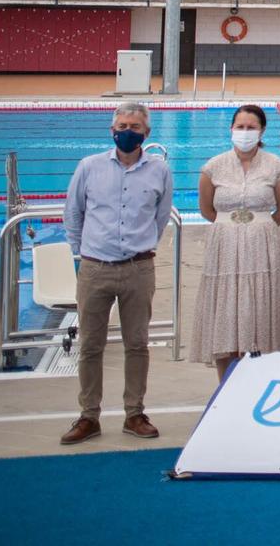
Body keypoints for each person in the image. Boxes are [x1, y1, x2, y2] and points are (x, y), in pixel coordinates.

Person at [60, 102, 173, 445]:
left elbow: (161, 216)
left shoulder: (159, 171)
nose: (127, 131)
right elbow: (73, 214)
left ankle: (134, 413)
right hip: (95, 268)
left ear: (146, 134)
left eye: (135, 127)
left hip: (138, 268)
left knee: (137, 344)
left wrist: (141, 247)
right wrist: (84, 253)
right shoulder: (89, 167)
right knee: (90, 345)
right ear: (112, 130)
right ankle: (88, 416)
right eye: (122, 125)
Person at [192, 103, 280, 379]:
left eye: (251, 127)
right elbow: (207, 210)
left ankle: (256, 386)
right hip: (224, 250)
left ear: (261, 131)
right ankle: (225, 388)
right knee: (225, 321)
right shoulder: (212, 168)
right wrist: (232, 229)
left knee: (256, 316)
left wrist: (258, 229)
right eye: (240, 127)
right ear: (231, 129)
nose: (245, 132)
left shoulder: (277, 167)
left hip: (262, 250)